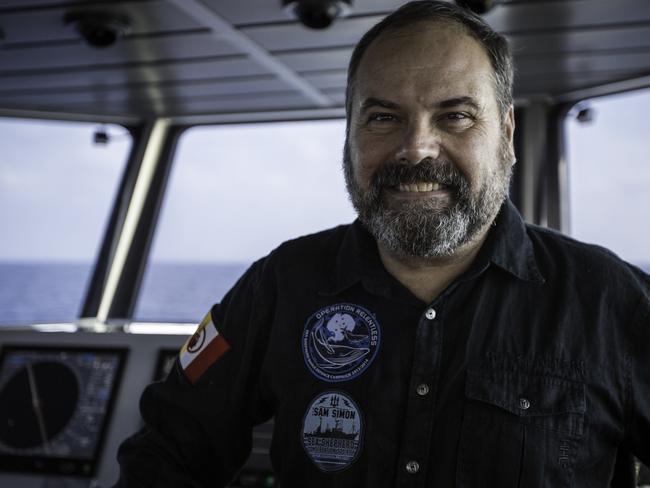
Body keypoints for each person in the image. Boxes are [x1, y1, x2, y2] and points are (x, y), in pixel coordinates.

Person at [114, 1, 650, 487]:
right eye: (383, 117)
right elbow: (166, 455)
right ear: (349, 137)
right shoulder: (280, 284)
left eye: (455, 116)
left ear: (506, 134)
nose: (416, 148)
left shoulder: (610, 300)